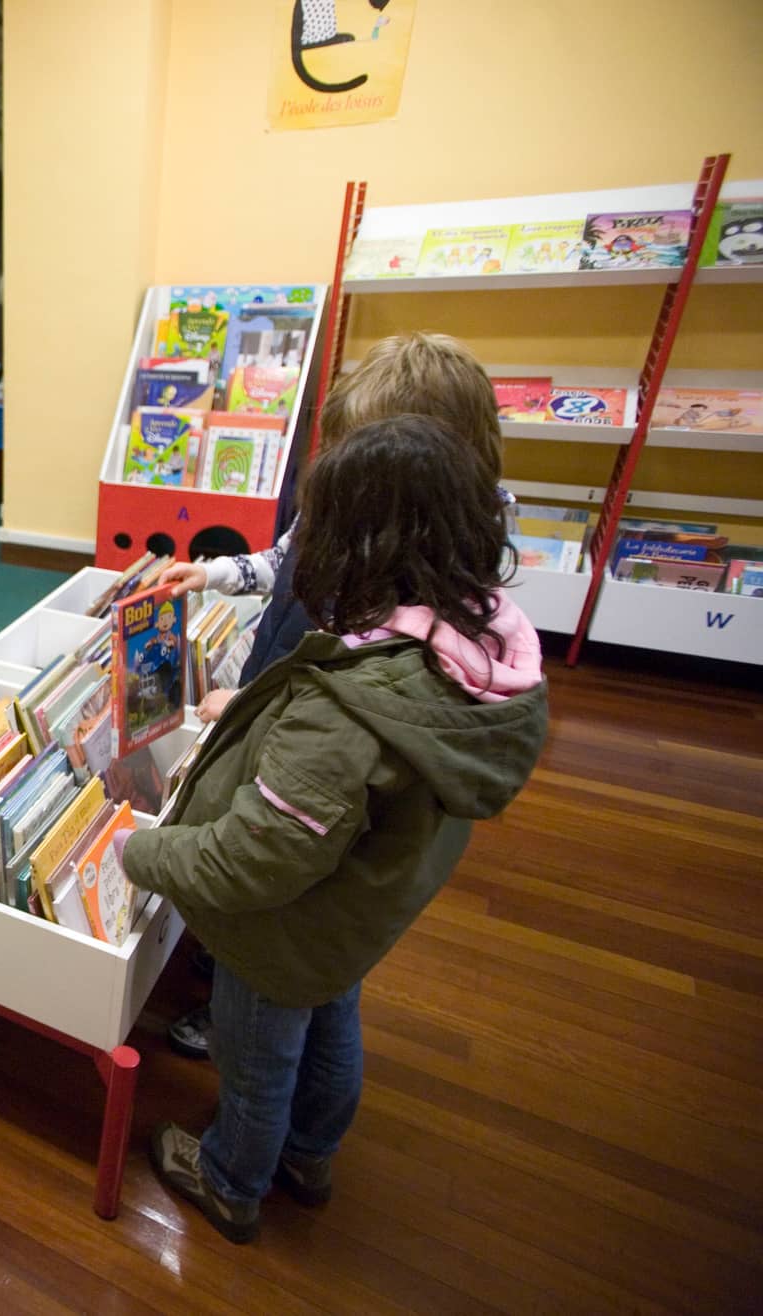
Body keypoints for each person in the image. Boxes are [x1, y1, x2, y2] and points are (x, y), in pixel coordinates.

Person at [112, 414, 548, 1243]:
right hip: (353, 914)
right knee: (332, 1016)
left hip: (282, 931)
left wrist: (140, 850)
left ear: (355, 543)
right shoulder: (473, 643)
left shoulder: (347, 713)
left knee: (256, 1058)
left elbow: (252, 862)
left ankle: (233, 1178)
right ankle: (311, 1155)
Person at [157, 330, 515, 1059]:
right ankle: (224, 957)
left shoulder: (428, 585)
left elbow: (361, 700)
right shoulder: (350, 504)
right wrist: (217, 575)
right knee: (254, 835)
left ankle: (234, 1006)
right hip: (286, 703)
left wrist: (258, 711)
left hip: (309, 737)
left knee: (277, 879)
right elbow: (283, 558)